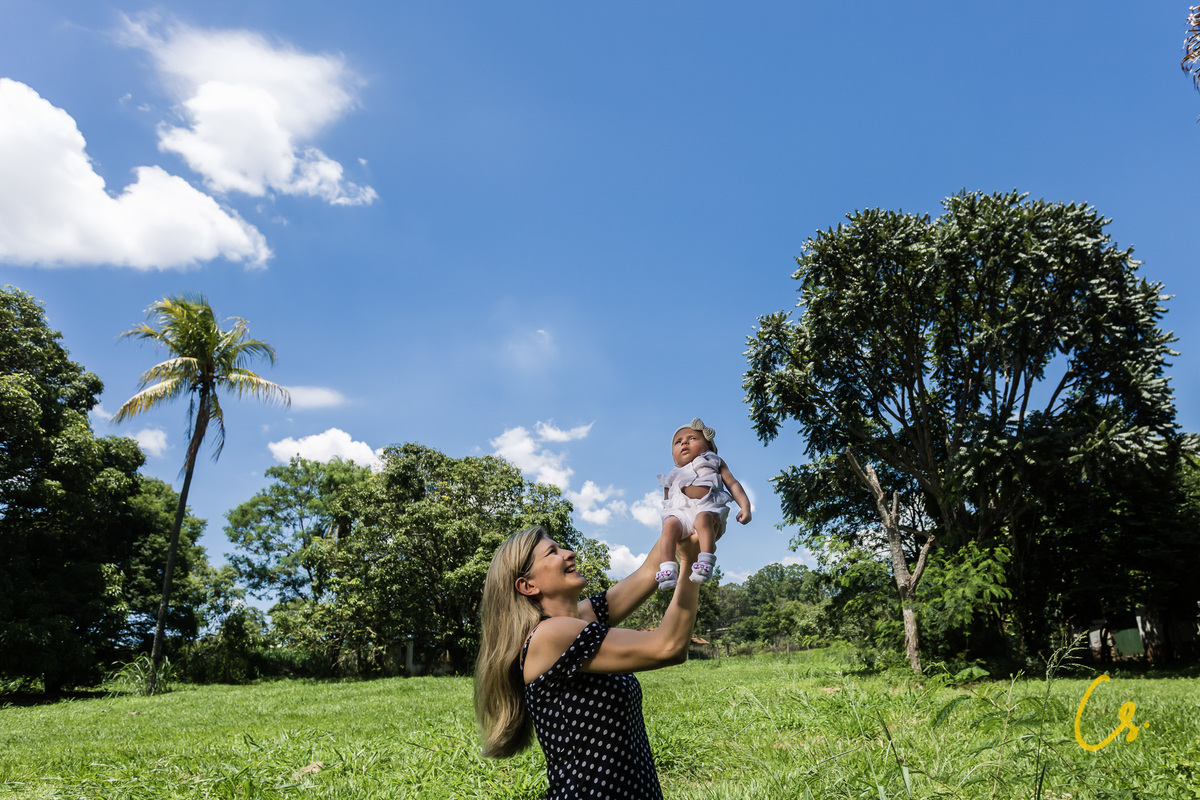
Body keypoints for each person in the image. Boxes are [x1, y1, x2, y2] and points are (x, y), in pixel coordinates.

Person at [474, 525, 702, 799]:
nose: (569, 553)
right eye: (552, 552)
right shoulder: (549, 636)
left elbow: (649, 571)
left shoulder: (582, 618)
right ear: (528, 585)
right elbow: (669, 647)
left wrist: (685, 520)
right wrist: (691, 563)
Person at [653, 418, 751, 589]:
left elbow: (733, 483)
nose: (684, 442)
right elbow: (667, 504)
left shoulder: (713, 461)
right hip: (682, 512)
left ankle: (705, 562)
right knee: (669, 525)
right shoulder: (673, 474)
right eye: (678, 442)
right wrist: (670, 517)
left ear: (708, 446)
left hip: (707, 507)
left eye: (692, 438)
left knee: (703, 519)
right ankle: (668, 569)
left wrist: (745, 506)